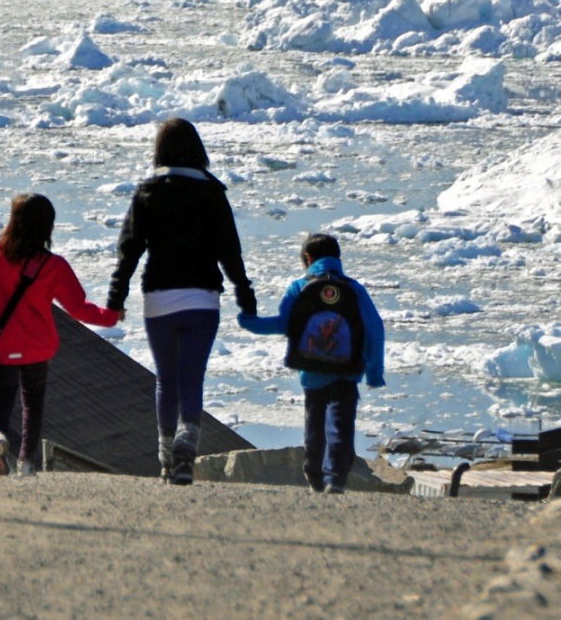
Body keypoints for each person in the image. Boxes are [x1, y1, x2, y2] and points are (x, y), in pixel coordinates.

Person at [106, 118, 255, 485]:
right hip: (202, 298)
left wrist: (116, 297)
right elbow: (229, 250)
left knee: (166, 380)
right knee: (191, 377)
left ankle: (165, 457)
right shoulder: (212, 192)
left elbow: (129, 250)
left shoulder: (147, 192)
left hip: (159, 299)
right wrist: (244, 292)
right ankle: (186, 445)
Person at [0, 193, 121, 477]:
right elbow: (78, 307)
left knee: (2, 401)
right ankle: (26, 463)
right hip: (36, 346)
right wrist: (110, 316)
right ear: (47, 226)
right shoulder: (53, 265)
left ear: (14, 221)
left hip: (4, 345)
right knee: (32, 405)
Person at [237, 233, 385, 494]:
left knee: (314, 426)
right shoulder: (354, 289)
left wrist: (250, 323)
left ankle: (314, 475)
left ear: (307, 258)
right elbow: (374, 330)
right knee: (340, 426)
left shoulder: (298, 287)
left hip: (312, 372)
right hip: (347, 372)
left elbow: (283, 324)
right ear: (338, 258)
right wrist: (374, 372)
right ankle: (336, 479)